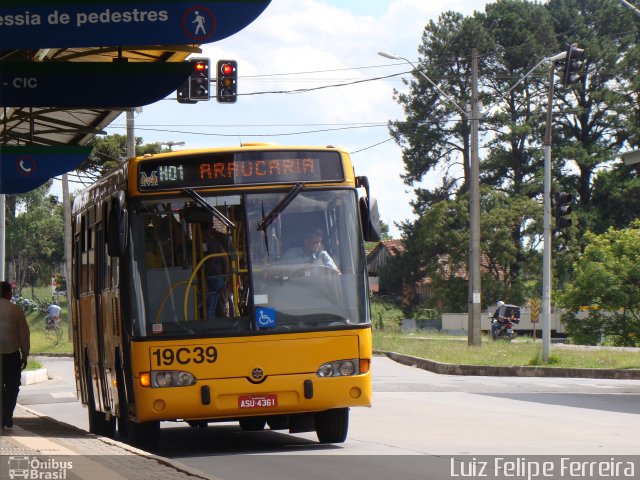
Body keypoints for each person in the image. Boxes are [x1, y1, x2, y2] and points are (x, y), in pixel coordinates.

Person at [0, 281, 30, 429]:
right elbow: (24, 335)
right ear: (8, 294)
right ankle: (7, 415)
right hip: (11, 355)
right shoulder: (16, 310)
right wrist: (25, 355)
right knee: (13, 386)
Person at [202, 223, 231, 318]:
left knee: (210, 306)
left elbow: (225, 257)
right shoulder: (213, 241)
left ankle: (211, 326)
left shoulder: (212, 242)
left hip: (214, 277)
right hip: (218, 277)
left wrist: (226, 275)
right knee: (215, 304)